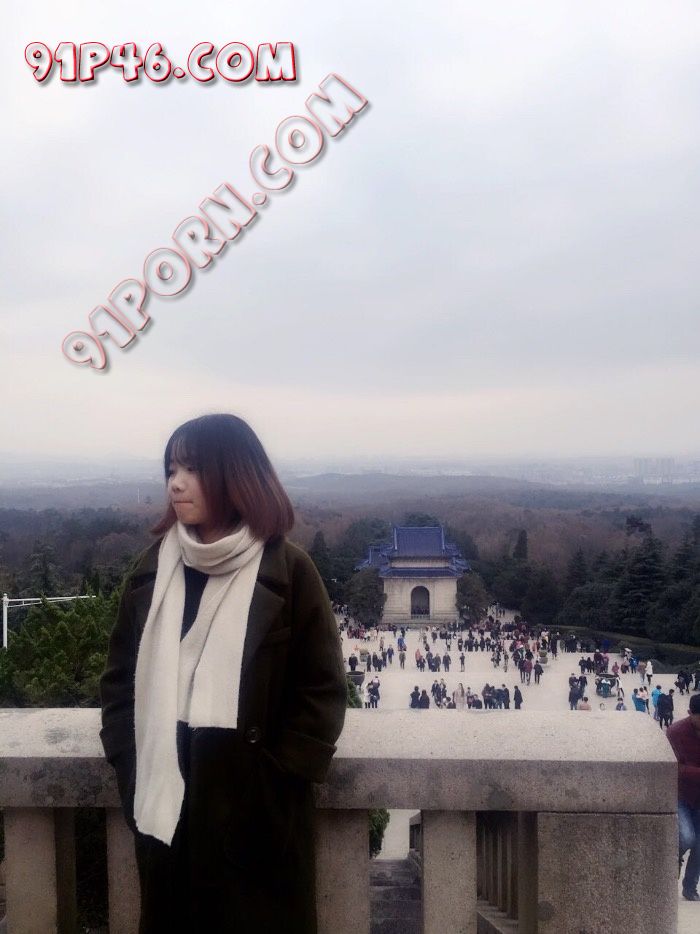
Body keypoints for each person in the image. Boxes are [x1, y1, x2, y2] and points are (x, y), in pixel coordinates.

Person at [99, 414, 347, 934]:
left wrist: (272, 789)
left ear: (236, 476)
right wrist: (132, 770)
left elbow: (320, 692)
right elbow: (119, 684)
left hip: (256, 824)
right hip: (166, 817)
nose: (176, 483)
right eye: (171, 469)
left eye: (192, 468)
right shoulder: (153, 571)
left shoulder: (289, 571)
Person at [667, 694, 700, 901]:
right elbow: (674, 767)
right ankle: (671, 858)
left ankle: (690, 888)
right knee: (687, 837)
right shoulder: (675, 732)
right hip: (681, 795)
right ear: (690, 714)